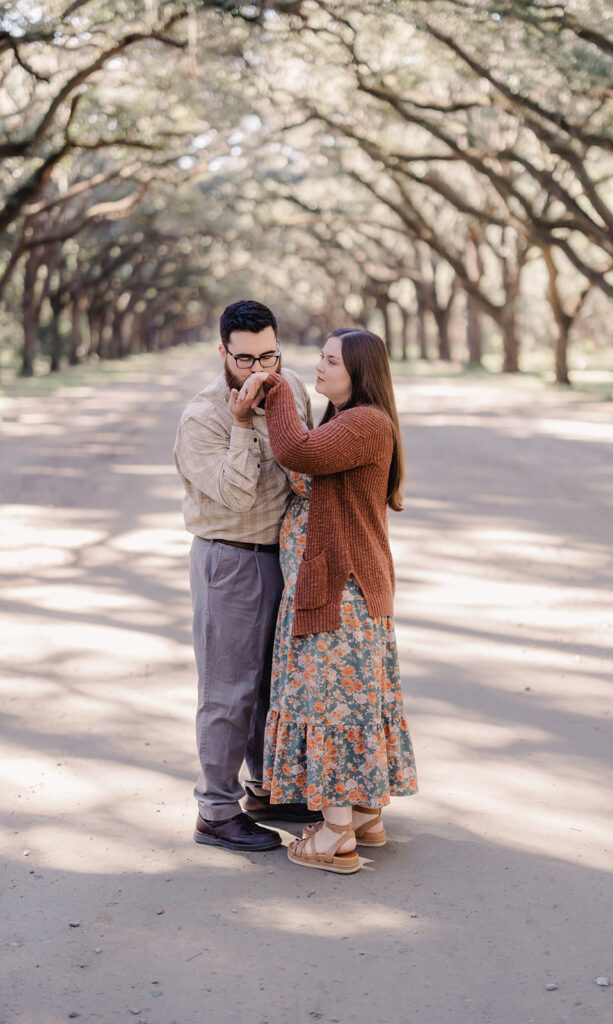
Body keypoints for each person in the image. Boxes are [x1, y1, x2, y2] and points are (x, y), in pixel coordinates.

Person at [236, 328, 417, 874]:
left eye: (330, 359)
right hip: (337, 587)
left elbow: (295, 450)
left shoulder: (365, 422)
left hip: (340, 592)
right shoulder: (346, 421)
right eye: (318, 356)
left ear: (357, 371)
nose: (317, 366)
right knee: (353, 702)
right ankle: (364, 813)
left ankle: (337, 833)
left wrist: (276, 392)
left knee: (332, 705)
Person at [173, 299, 321, 854]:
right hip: (227, 558)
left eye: (270, 355)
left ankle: (264, 788)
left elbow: (303, 462)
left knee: (269, 682)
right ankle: (215, 810)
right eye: (245, 359)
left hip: (280, 555)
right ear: (223, 354)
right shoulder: (204, 416)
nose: (260, 370)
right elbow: (235, 497)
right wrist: (241, 423)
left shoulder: (294, 390)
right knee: (226, 691)